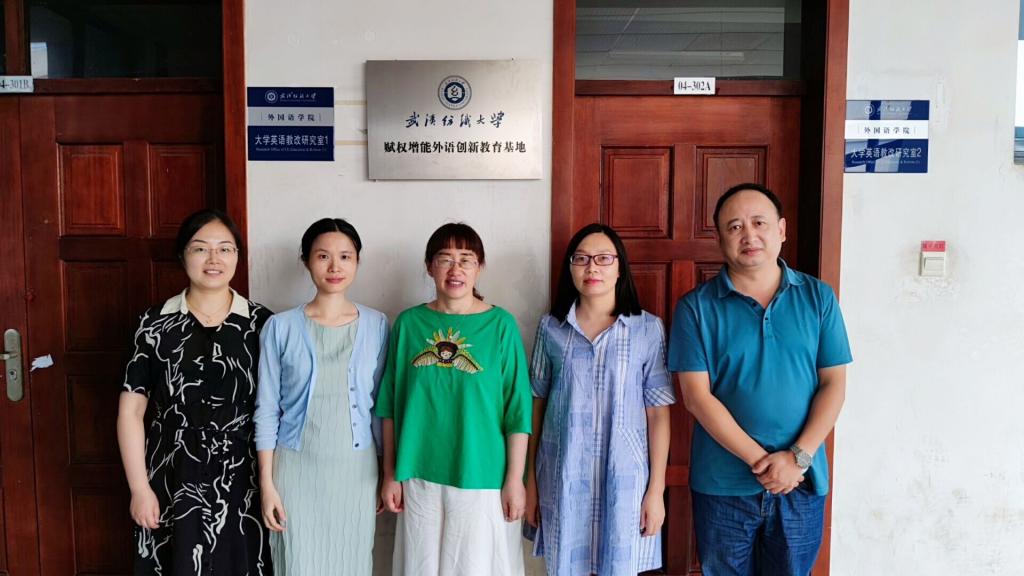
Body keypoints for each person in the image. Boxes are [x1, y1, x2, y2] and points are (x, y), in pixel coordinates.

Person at [668, 183, 852, 576]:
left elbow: (834, 384)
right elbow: (697, 397)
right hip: (723, 486)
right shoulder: (695, 308)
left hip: (800, 482)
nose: (748, 235)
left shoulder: (818, 298)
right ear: (719, 239)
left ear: (781, 230)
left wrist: (797, 459)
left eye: (759, 223)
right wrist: (764, 464)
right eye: (734, 227)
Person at [117, 209, 273, 575]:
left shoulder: (263, 324)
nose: (214, 259)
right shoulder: (154, 324)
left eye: (225, 249)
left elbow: (275, 411)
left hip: (244, 477)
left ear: (238, 256)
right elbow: (131, 412)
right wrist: (139, 488)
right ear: (182, 255)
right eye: (200, 248)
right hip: (171, 472)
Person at [375, 222, 532, 576]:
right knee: (420, 568)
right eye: (445, 259)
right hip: (417, 473)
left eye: (466, 259)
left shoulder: (500, 325)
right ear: (429, 266)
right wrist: (390, 474)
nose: (455, 269)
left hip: (482, 472)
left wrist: (515, 479)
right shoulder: (409, 324)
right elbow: (390, 405)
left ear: (480, 267)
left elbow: (518, 410)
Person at [524, 223, 675, 575]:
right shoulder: (551, 328)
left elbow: (658, 415)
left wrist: (656, 490)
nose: (592, 267)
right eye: (581, 259)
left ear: (620, 267)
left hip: (625, 479)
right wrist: (530, 482)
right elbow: (536, 405)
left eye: (604, 258)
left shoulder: (647, 329)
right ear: (571, 268)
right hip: (563, 475)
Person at [254, 218, 388, 575]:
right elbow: (266, 410)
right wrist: (267, 485)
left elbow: (381, 409)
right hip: (295, 471)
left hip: (356, 472)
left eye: (345, 256)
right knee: (298, 564)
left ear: (357, 261)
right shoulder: (280, 327)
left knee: (351, 563)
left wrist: (386, 471)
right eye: (323, 256)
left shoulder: (377, 325)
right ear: (306, 261)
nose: (334, 267)